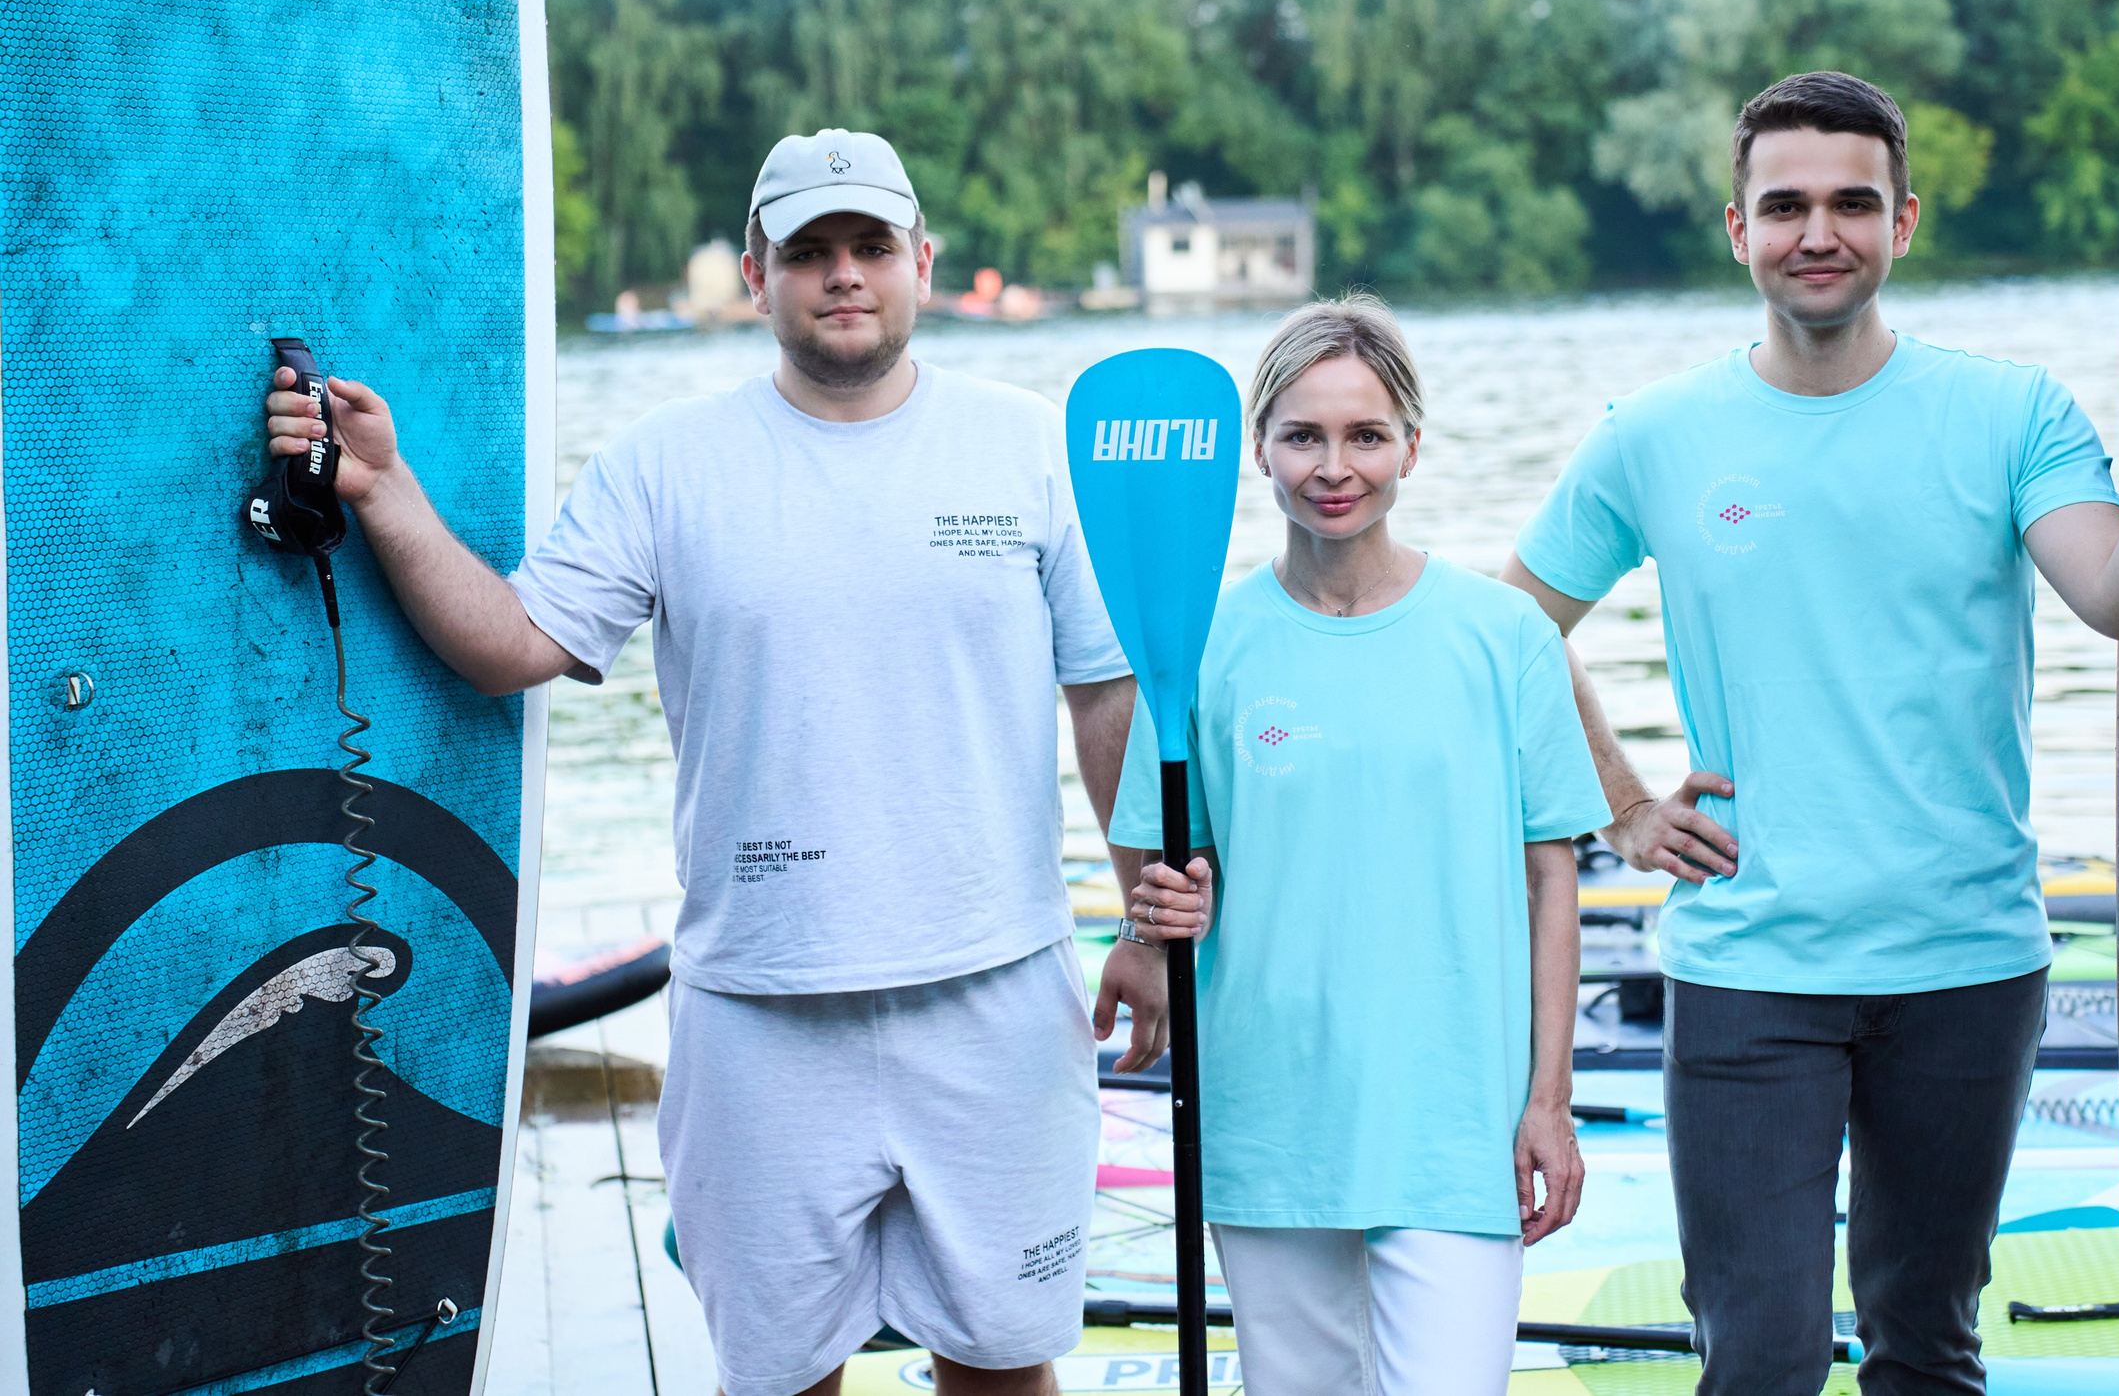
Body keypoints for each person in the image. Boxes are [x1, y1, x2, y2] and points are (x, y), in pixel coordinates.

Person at [261, 129, 1168, 1396]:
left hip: (998, 998)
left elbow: (1106, 703)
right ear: (756, 273)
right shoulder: (664, 463)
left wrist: (1148, 922)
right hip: (757, 1013)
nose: (842, 275)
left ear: (922, 259)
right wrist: (386, 490)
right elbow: (511, 643)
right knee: (780, 1380)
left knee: (1003, 1370)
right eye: (809, 252)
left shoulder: (1029, 446)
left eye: (867, 248)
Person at [1499, 72, 2119, 1395]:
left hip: (1964, 959)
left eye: (1853, 201)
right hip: (1752, 959)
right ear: (1737, 228)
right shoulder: (1655, 434)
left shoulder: (2009, 413)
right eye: (1788, 204)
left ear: (1905, 220)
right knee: (1756, 1358)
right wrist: (1626, 806)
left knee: (1927, 1345)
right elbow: (1512, 627)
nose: (1821, 229)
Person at [1113, 296, 1608, 1396]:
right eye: (1302, 435)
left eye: (1365, 435)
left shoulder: (1503, 636)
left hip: (1454, 1120)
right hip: (1271, 1113)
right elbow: (1170, 878)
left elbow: (1549, 879)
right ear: (1260, 451)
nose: (1333, 467)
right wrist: (1155, 919)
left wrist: (1548, 1098)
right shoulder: (1199, 647)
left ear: (1411, 447)